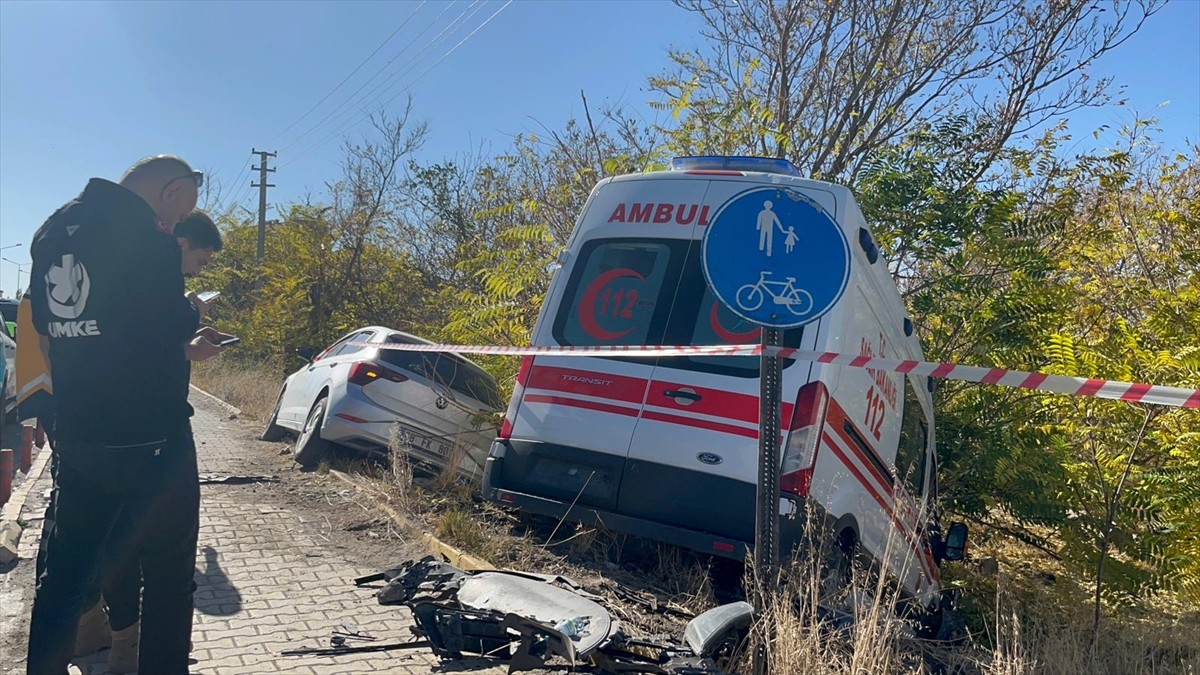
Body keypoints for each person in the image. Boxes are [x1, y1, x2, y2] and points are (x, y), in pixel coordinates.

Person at [26, 156, 225, 675]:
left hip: (80, 434)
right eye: (182, 213)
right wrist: (193, 312)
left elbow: (49, 330)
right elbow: (163, 325)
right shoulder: (147, 239)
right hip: (151, 438)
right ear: (172, 191)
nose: (177, 225)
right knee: (166, 577)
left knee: (64, 578)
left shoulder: (51, 231)